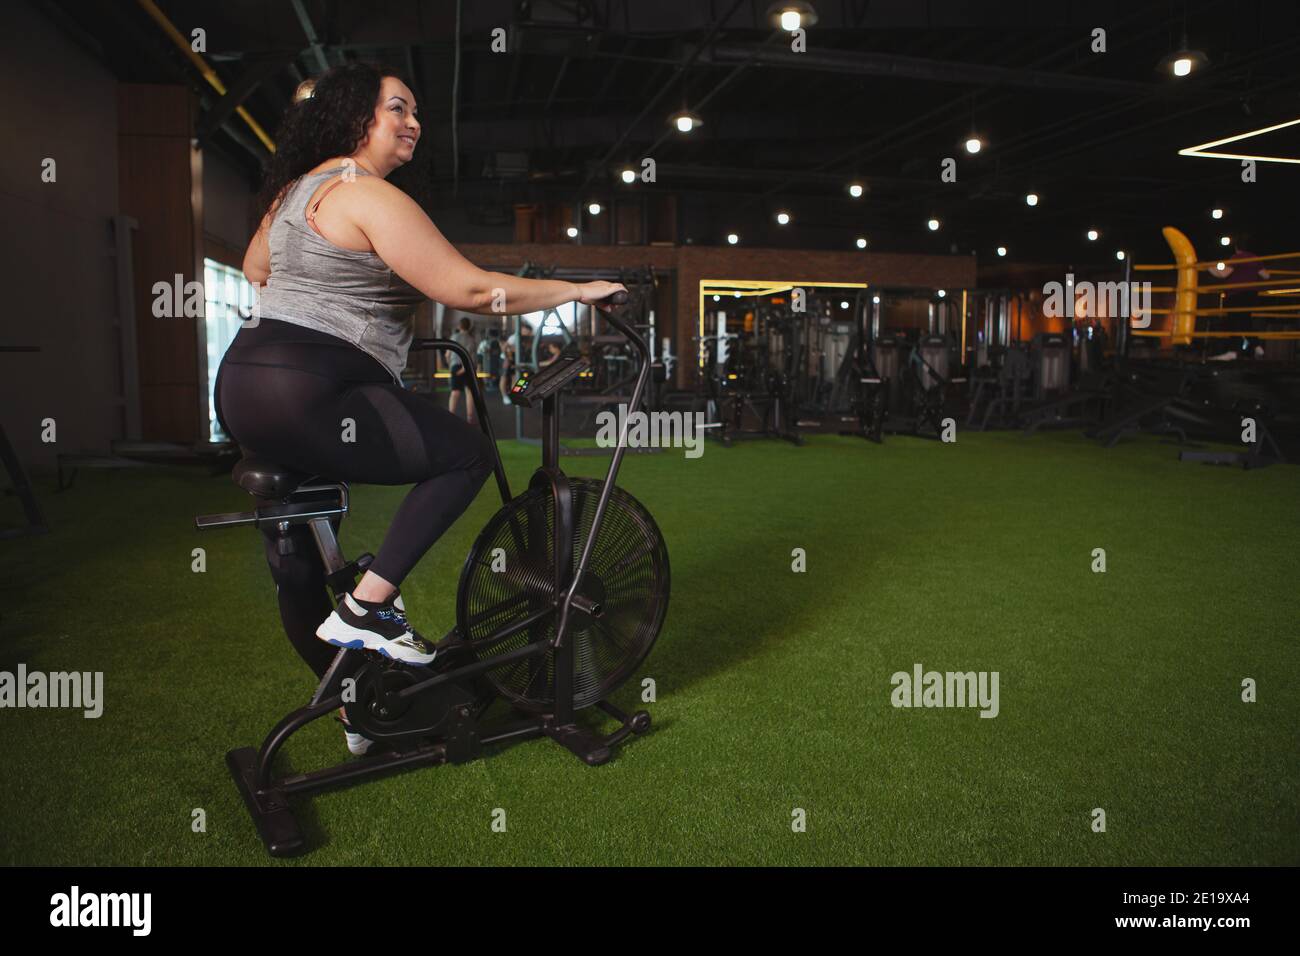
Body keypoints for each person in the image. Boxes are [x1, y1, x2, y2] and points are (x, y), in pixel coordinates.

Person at [214, 62, 624, 753]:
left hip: (244, 385)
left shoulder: (293, 192)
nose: (413, 123)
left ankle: (354, 708)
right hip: (315, 386)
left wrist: (338, 292)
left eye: (415, 112)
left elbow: (258, 267)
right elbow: (469, 290)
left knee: (300, 549)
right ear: (354, 119)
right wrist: (575, 290)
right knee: (463, 454)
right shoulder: (366, 193)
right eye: (396, 109)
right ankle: (369, 609)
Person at [447, 316, 477, 424]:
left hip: (455, 366)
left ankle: (451, 417)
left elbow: (447, 354)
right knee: (469, 392)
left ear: (459, 326)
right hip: (468, 367)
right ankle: (470, 418)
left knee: (455, 392)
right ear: (469, 327)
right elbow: (472, 357)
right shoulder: (471, 339)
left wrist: (451, 365)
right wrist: (465, 368)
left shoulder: (454, 336)